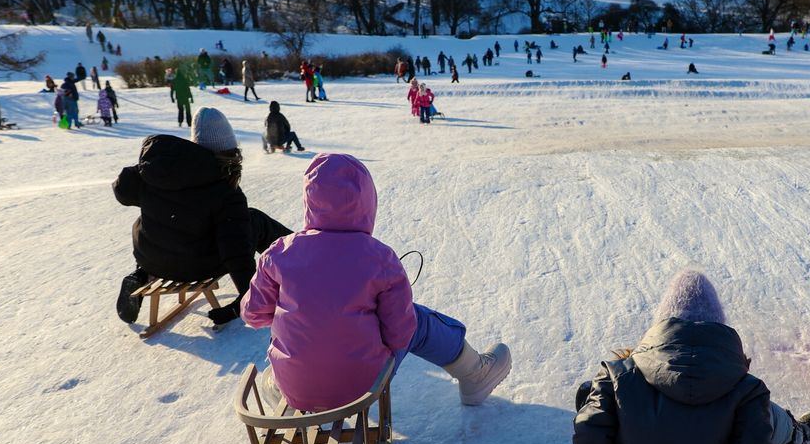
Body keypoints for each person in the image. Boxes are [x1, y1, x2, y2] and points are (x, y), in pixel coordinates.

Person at [240, 153, 511, 412]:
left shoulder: (279, 253)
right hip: (364, 386)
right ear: (367, 202)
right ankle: (475, 372)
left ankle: (292, 384)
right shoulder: (380, 258)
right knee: (418, 320)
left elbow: (253, 315)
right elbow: (400, 333)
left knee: (296, 335)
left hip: (294, 386)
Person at [573, 270, 810, 444]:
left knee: (602, 406)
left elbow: (590, 440)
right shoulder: (747, 391)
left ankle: (593, 400)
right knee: (760, 415)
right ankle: (795, 438)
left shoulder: (617, 377)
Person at [113, 108, 292, 327]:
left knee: (154, 219)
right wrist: (246, 299)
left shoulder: (156, 171)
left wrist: (142, 171)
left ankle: (140, 275)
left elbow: (121, 190)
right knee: (253, 220)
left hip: (152, 259)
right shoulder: (225, 192)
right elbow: (236, 252)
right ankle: (301, 254)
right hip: (197, 266)